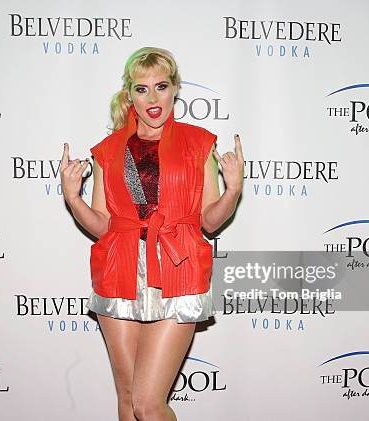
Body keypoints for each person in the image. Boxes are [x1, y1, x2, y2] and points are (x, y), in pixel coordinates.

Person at [60, 47, 243, 421]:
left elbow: (209, 221)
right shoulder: (108, 151)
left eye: (161, 86)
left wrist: (233, 191)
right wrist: (73, 198)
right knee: (127, 400)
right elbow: (102, 225)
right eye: (142, 89)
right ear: (130, 94)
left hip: (178, 267)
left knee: (147, 403)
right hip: (120, 269)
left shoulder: (198, 143)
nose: (153, 98)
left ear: (175, 88)